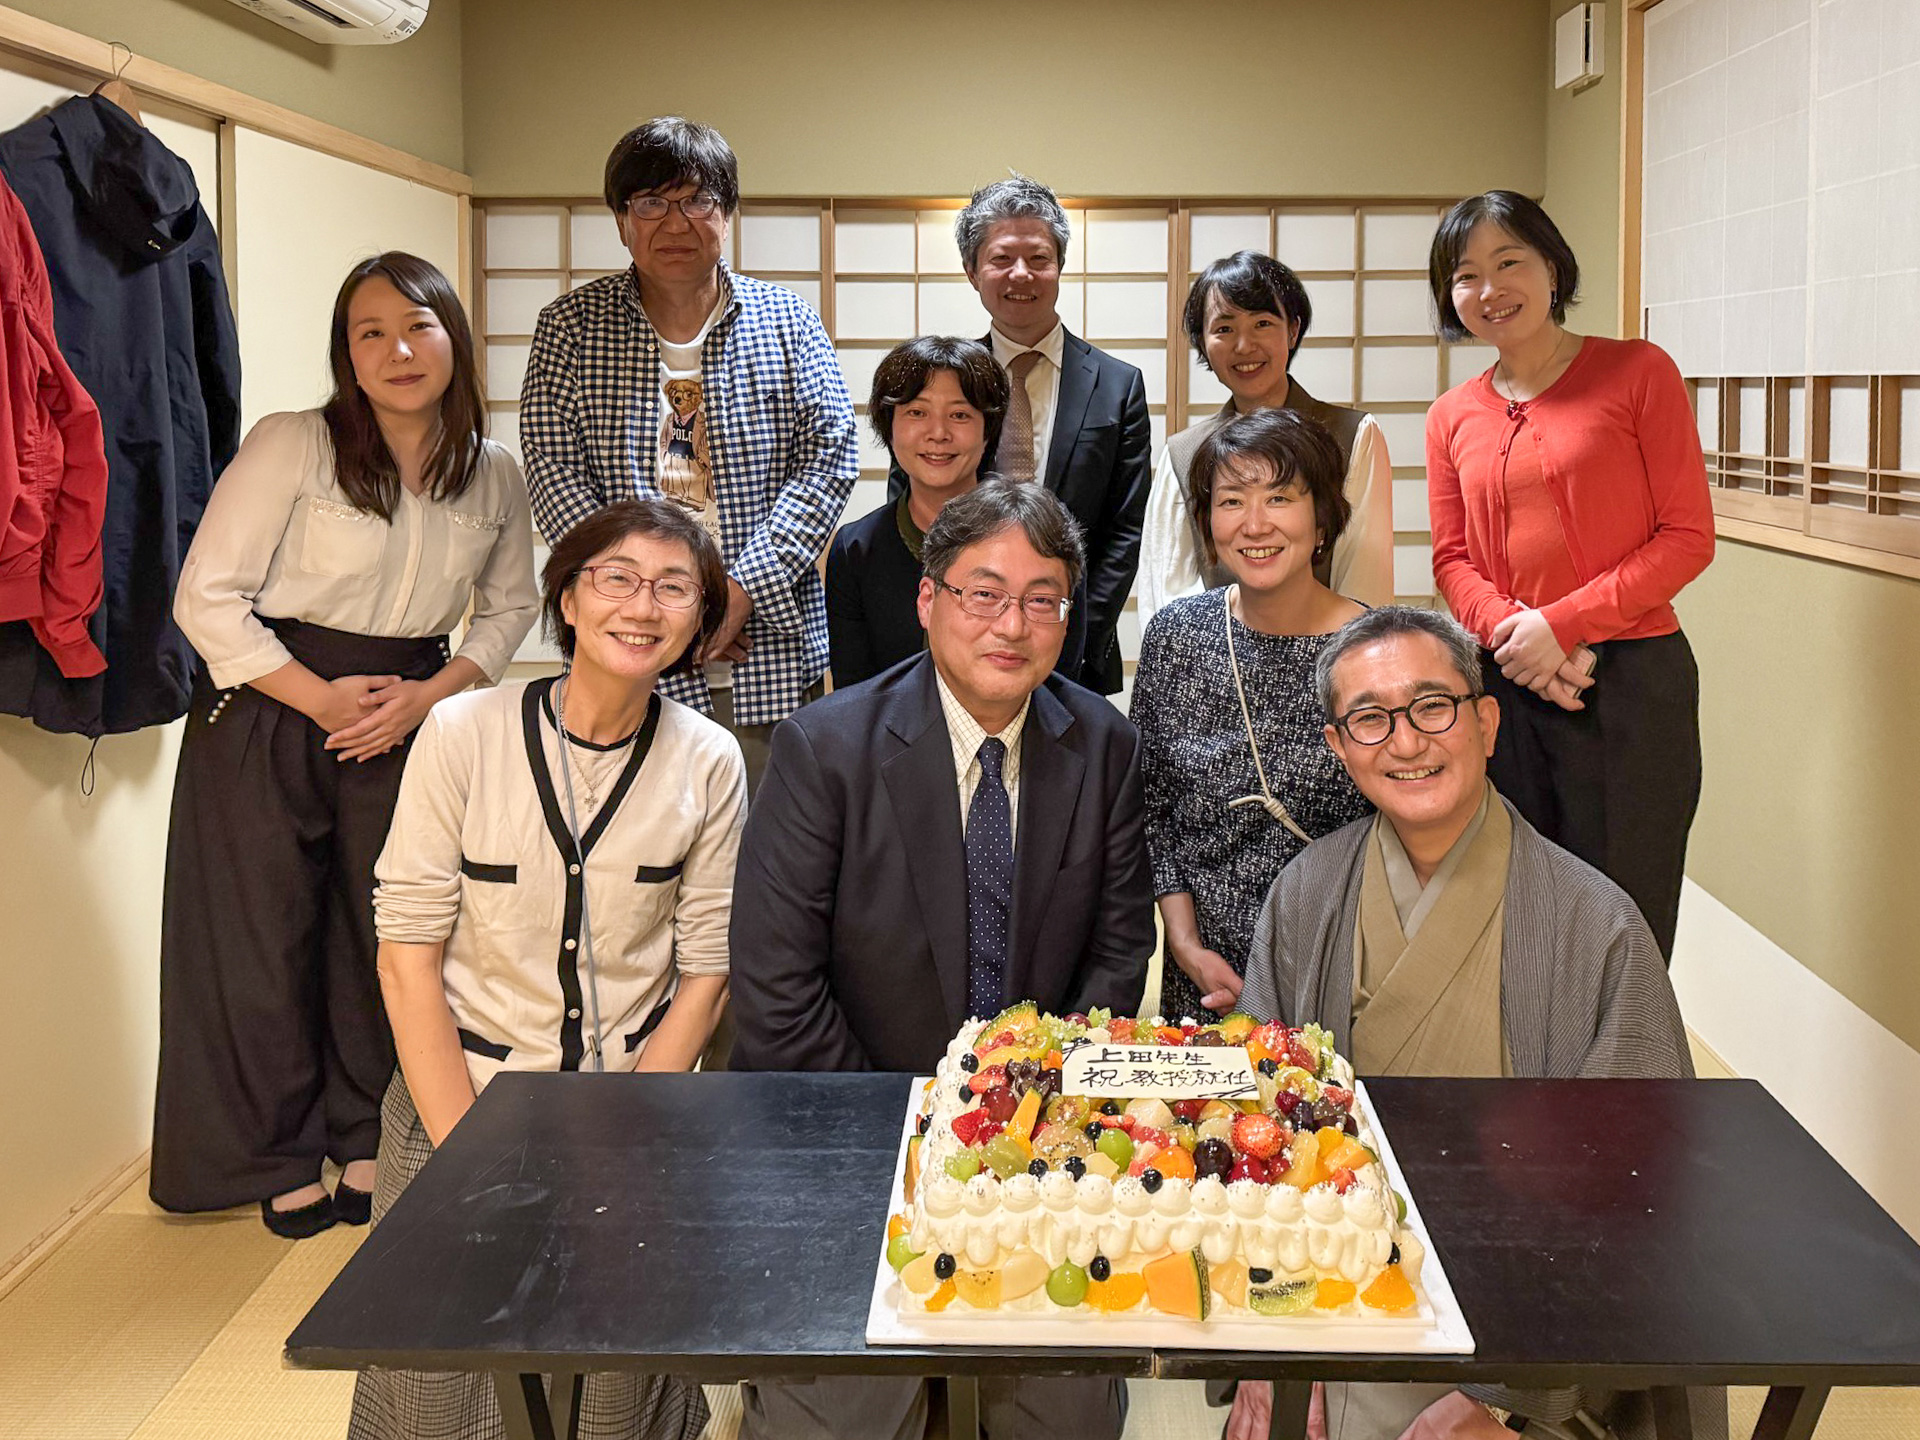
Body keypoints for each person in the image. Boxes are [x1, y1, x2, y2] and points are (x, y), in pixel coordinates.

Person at [1227, 605, 1720, 1440]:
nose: (1408, 742)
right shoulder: (1306, 895)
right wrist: (1272, 1352)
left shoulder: (1594, 924)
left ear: (1486, 723)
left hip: (1526, 1337)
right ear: (1338, 746)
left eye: (1432, 706)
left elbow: (1641, 1201)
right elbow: (1248, 1141)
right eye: (1371, 719)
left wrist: (1501, 1396)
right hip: (1329, 1310)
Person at [730, 480, 1153, 1440]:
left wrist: (1030, 1121)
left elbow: (1119, 954)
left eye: (1043, 598)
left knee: (1070, 1418)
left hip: (1033, 1146)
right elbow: (777, 991)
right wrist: (918, 1148)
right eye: (984, 593)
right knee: (837, 1418)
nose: (1013, 624)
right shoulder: (823, 748)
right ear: (929, 601)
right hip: (846, 1137)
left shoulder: (1104, 744)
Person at [153, 253, 537, 1236]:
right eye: (370, 333)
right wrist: (319, 698)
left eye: (418, 325)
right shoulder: (294, 444)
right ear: (346, 356)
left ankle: (366, 1134)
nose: (397, 350)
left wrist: (428, 700)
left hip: (409, 713)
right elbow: (206, 598)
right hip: (271, 705)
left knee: (387, 935)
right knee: (261, 937)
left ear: (455, 334)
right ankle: (275, 1155)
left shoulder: (494, 472)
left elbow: (507, 613)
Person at [347, 498, 736, 1440]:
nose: (642, 605)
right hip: (461, 1097)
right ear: (567, 597)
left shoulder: (709, 759)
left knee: (613, 1384)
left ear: (696, 619)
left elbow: (708, 971)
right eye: (617, 578)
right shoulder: (462, 733)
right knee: (438, 1386)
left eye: (673, 587)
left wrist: (632, 1128)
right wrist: (464, 1154)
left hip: (628, 1118)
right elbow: (406, 954)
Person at [519, 115, 857, 792]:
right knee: (631, 854)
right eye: (649, 203)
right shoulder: (570, 328)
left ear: (728, 214)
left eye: (697, 200)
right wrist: (661, 602)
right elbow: (554, 471)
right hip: (626, 641)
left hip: (766, 647)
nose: (675, 223)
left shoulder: (787, 319)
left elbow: (831, 457)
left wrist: (736, 591)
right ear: (620, 220)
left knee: (769, 860)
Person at [1425, 191, 1714, 958]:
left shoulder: (1637, 371)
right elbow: (1452, 558)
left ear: (1553, 266)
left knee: (1626, 916)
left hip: (1630, 683)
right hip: (1506, 683)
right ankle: (1532, 1080)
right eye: (1466, 275)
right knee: (1519, 911)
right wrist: (1522, 642)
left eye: (1509, 262)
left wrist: (1563, 626)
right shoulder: (1452, 414)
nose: (1489, 289)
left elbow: (1687, 537)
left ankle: (1624, 1077)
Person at [1131, 409, 1372, 1022]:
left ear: (1322, 519)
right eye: (1232, 500)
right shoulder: (1177, 637)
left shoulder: (1375, 650)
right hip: (1206, 968)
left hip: (1347, 965)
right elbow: (1152, 805)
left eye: (1280, 497)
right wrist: (1184, 945)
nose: (1255, 523)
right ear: (1209, 523)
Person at [887, 174, 1149, 696]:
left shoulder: (1119, 385)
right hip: (966, 641)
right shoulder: (941, 384)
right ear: (972, 270)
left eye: (1038, 258)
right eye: (1002, 259)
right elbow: (912, 499)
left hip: (1078, 652)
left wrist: (1071, 634)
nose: (1021, 275)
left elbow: (1126, 529)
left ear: (1061, 266)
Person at [1139, 250, 1394, 624]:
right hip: (1217, 664)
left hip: (1331, 661)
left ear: (1292, 330)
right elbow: (1165, 591)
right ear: (1202, 343)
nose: (1244, 346)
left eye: (1262, 323)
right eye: (1224, 329)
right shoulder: (1184, 452)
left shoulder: (1352, 434)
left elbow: (1365, 577)